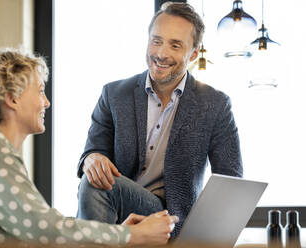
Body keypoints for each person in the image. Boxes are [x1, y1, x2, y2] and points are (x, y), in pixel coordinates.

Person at [0, 48, 179, 246]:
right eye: (40, 91)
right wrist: (130, 236)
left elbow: (35, 230)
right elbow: (47, 230)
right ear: (13, 99)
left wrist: (117, 234)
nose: (46, 102)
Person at [76, 2, 243, 238]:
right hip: (118, 212)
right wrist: (91, 159)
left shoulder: (215, 104)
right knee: (94, 180)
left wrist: (202, 239)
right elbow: (93, 151)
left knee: (96, 186)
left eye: (175, 45)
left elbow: (231, 182)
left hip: (172, 219)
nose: (161, 54)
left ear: (194, 53)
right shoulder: (114, 94)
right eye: (156, 41)